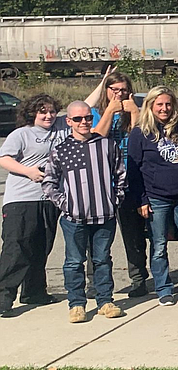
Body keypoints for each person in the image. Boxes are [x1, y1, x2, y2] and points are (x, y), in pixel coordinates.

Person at [41, 101, 127, 323]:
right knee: (73, 261)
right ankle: (77, 304)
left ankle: (105, 301)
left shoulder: (107, 145)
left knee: (102, 260)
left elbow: (121, 175)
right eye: (78, 119)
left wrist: (115, 200)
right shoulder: (61, 150)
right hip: (74, 218)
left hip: (104, 216)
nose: (84, 122)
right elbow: (49, 183)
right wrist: (65, 204)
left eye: (87, 118)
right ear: (69, 121)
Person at [128, 86, 178, 306]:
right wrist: (141, 200)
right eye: (159, 104)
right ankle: (164, 289)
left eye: (168, 104)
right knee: (159, 245)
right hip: (155, 198)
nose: (164, 108)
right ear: (151, 106)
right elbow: (133, 170)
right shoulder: (140, 132)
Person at [0, 95, 67, 316]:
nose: (48, 115)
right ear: (32, 113)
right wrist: (28, 171)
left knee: (42, 246)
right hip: (21, 199)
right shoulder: (21, 134)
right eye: (42, 111)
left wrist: (104, 82)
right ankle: (3, 297)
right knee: (17, 247)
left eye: (51, 111)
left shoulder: (59, 129)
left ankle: (35, 292)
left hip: (49, 199)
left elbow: (86, 104)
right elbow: (3, 158)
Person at [87, 69, 148, 297]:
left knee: (133, 235)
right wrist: (109, 112)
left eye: (124, 90)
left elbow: (142, 139)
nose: (119, 94)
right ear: (107, 90)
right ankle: (95, 283)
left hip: (129, 181)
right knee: (98, 236)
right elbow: (95, 139)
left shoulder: (133, 111)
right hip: (102, 183)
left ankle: (139, 279)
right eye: (115, 90)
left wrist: (134, 113)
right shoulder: (94, 112)